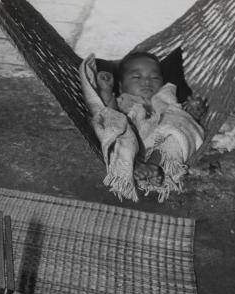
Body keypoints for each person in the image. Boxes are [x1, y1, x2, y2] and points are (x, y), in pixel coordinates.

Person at [80, 51, 207, 202]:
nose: (146, 82)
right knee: (115, 129)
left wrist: (193, 113)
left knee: (179, 130)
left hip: (160, 144)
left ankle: (155, 165)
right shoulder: (123, 99)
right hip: (132, 141)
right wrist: (106, 90)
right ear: (120, 86)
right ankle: (134, 164)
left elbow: (182, 121)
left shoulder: (166, 99)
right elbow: (109, 113)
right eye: (136, 77)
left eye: (154, 77)